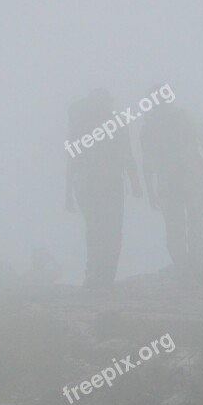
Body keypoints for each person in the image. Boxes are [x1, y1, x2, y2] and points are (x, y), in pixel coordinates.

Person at [140, 100, 203, 283]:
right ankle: (197, 264)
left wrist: (150, 190)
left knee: (174, 226)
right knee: (196, 220)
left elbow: (147, 162)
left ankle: (182, 268)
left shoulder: (149, 126)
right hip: (192, 175)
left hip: (167, 181)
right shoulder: (184, 115)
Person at [65, 89, 142, 290]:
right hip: (111, 184)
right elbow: (127, 153)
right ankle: (105, 278)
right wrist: (135, 183)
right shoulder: (117, 123)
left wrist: (68, 194)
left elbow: (71, 159)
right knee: (113, 232)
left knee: (94, 230)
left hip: (85, 186)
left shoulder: (80, 125)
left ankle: (93, 277)